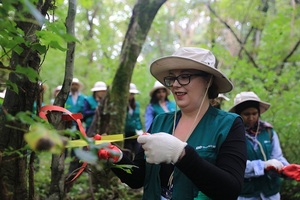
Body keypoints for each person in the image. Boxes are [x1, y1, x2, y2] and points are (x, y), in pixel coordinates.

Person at [98, 47, 247, 199]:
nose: (175, 85)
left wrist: (181, 154)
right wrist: (117, 158)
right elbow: (138, 178)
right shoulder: (160, 122)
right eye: (172, 78)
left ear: (208, 80)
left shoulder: (228, 125)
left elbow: (230, 189)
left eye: (184, 77)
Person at [229, 91, 289, 200]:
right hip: (246, 194)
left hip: (270, 193)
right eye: (246, 114)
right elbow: (236, 166)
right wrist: (263, 165)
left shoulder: (268, 131)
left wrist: (286, 169)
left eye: (254, 113)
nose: (251, 117)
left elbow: (277, 157)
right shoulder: (232, 134)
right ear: (239, 114)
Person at [124, 83, 143, 158]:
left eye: (133, 94)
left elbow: (137, 118)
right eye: (130, 93)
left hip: (135, 133)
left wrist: (139, 129)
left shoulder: (136, 104)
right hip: (125, 134)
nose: (131, 96)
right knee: (127, 152)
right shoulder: (121, 105)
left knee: (138, 151)